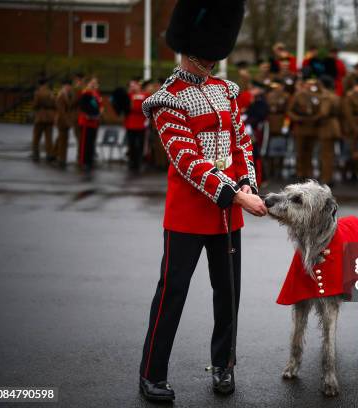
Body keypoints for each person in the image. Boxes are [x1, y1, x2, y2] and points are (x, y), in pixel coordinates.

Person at [138, 0, 266, 402]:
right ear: (189, 49)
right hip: (188, 216)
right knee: (171, 296)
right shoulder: (167, 100)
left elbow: (242, 143)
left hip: (229, 214)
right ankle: (151, 373)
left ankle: (224, 366)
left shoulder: (226, 91)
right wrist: (236, 196)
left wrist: (247, 185)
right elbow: (189, 161)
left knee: (228, 295)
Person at [288, 78, 324, 180]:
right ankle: (300, 173)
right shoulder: (298, 95)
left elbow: (321, 110)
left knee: (310, 151)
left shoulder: (317, 96)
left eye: (313, 84)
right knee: (300, 151)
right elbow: (290, 111)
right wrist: (297, 118)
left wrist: (316, 118)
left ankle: (309, 173)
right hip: (301, 127)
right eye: (308, 84)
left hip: (313, 127)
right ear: (304, 85)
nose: (311, 86)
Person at [341, 76, 358, 181]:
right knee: (349, 150)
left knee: (356, 150)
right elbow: (348, 114)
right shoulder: (350, 96)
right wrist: (354, 127)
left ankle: (354, 173)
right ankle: (345, 173)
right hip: (351, 127)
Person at [318, 75, 342, 186]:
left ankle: (326, 178)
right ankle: (328, 176)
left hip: (327, 127)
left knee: (326, 154)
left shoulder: (326, 97)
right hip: (334, 126)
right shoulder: (335, 96)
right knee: (330, 153)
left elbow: (324, 113)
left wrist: (313, 117)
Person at [77, 76, 103, 174]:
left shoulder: (96, 94)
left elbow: (100, 105)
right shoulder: (85, 93)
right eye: (92, 82)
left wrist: (100, 112)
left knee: (91, 142)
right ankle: (83, 161)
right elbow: (82, 106)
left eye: (95, 83)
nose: (93, 84)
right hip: (86, 121)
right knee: (85, 142)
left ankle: (89, 160)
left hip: (94, 121)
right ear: (88, 84)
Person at [124, 78, 149, 173]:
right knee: (131, 144)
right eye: (131, 85)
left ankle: (138, 161)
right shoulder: (129, 95)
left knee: (140, 144)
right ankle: (132, 161)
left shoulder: (145, 95)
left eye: (134, 85)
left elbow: (143, 107)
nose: (133, 87)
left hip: (141, 124)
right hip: (130, 123)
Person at [53, 78, 77, 169]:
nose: (68, 87)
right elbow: (61, 112)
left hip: (66, 120)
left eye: (69, 86)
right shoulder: (61, 96)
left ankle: (53, 154)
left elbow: (71, 106)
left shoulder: (69, 95)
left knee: (61, 139)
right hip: (62, 121)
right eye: (66, 86)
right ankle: (62, 159)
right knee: (63, 141)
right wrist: (68, 122)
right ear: (63, 86)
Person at [31, 77, 56, 162]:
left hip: (40, 116)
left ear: (39, 84)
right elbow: (55, 104)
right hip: (50, 117)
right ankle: (49, 154)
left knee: (36, 137)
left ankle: (35, 154)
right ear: (46, 84)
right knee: (49, 137)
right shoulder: (51, 93)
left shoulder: (37, 93)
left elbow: (35, 105)